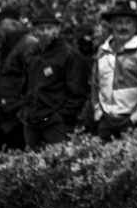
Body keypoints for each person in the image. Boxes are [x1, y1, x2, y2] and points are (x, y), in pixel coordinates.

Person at [20, 10, 89, 148]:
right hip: (33, 121)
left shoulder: (69, 54)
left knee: (59, 163)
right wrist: (24, 111)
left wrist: (62, 116)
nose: (45, 32)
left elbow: (78, 92)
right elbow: (24, 85)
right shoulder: (31, 54)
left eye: (49, 28)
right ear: (35, 31)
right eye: (41, 28)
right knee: (32, 164)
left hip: (56, 123)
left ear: (57, 29)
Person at [92, 0, 137, 140]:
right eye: (118, 22)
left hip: (131, 121)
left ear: (135, 25)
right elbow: (95, 84)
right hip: (106, 120)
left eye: (128, 22)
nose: (123, 27)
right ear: (111, 24)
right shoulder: (102, 51)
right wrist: (98, 111)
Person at [0, 6, 39, 149]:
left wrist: (24, 111)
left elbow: (35, 81)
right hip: (3, 116)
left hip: (19, 118)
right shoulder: (3, 46)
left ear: (13, 24)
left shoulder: (28, 43)